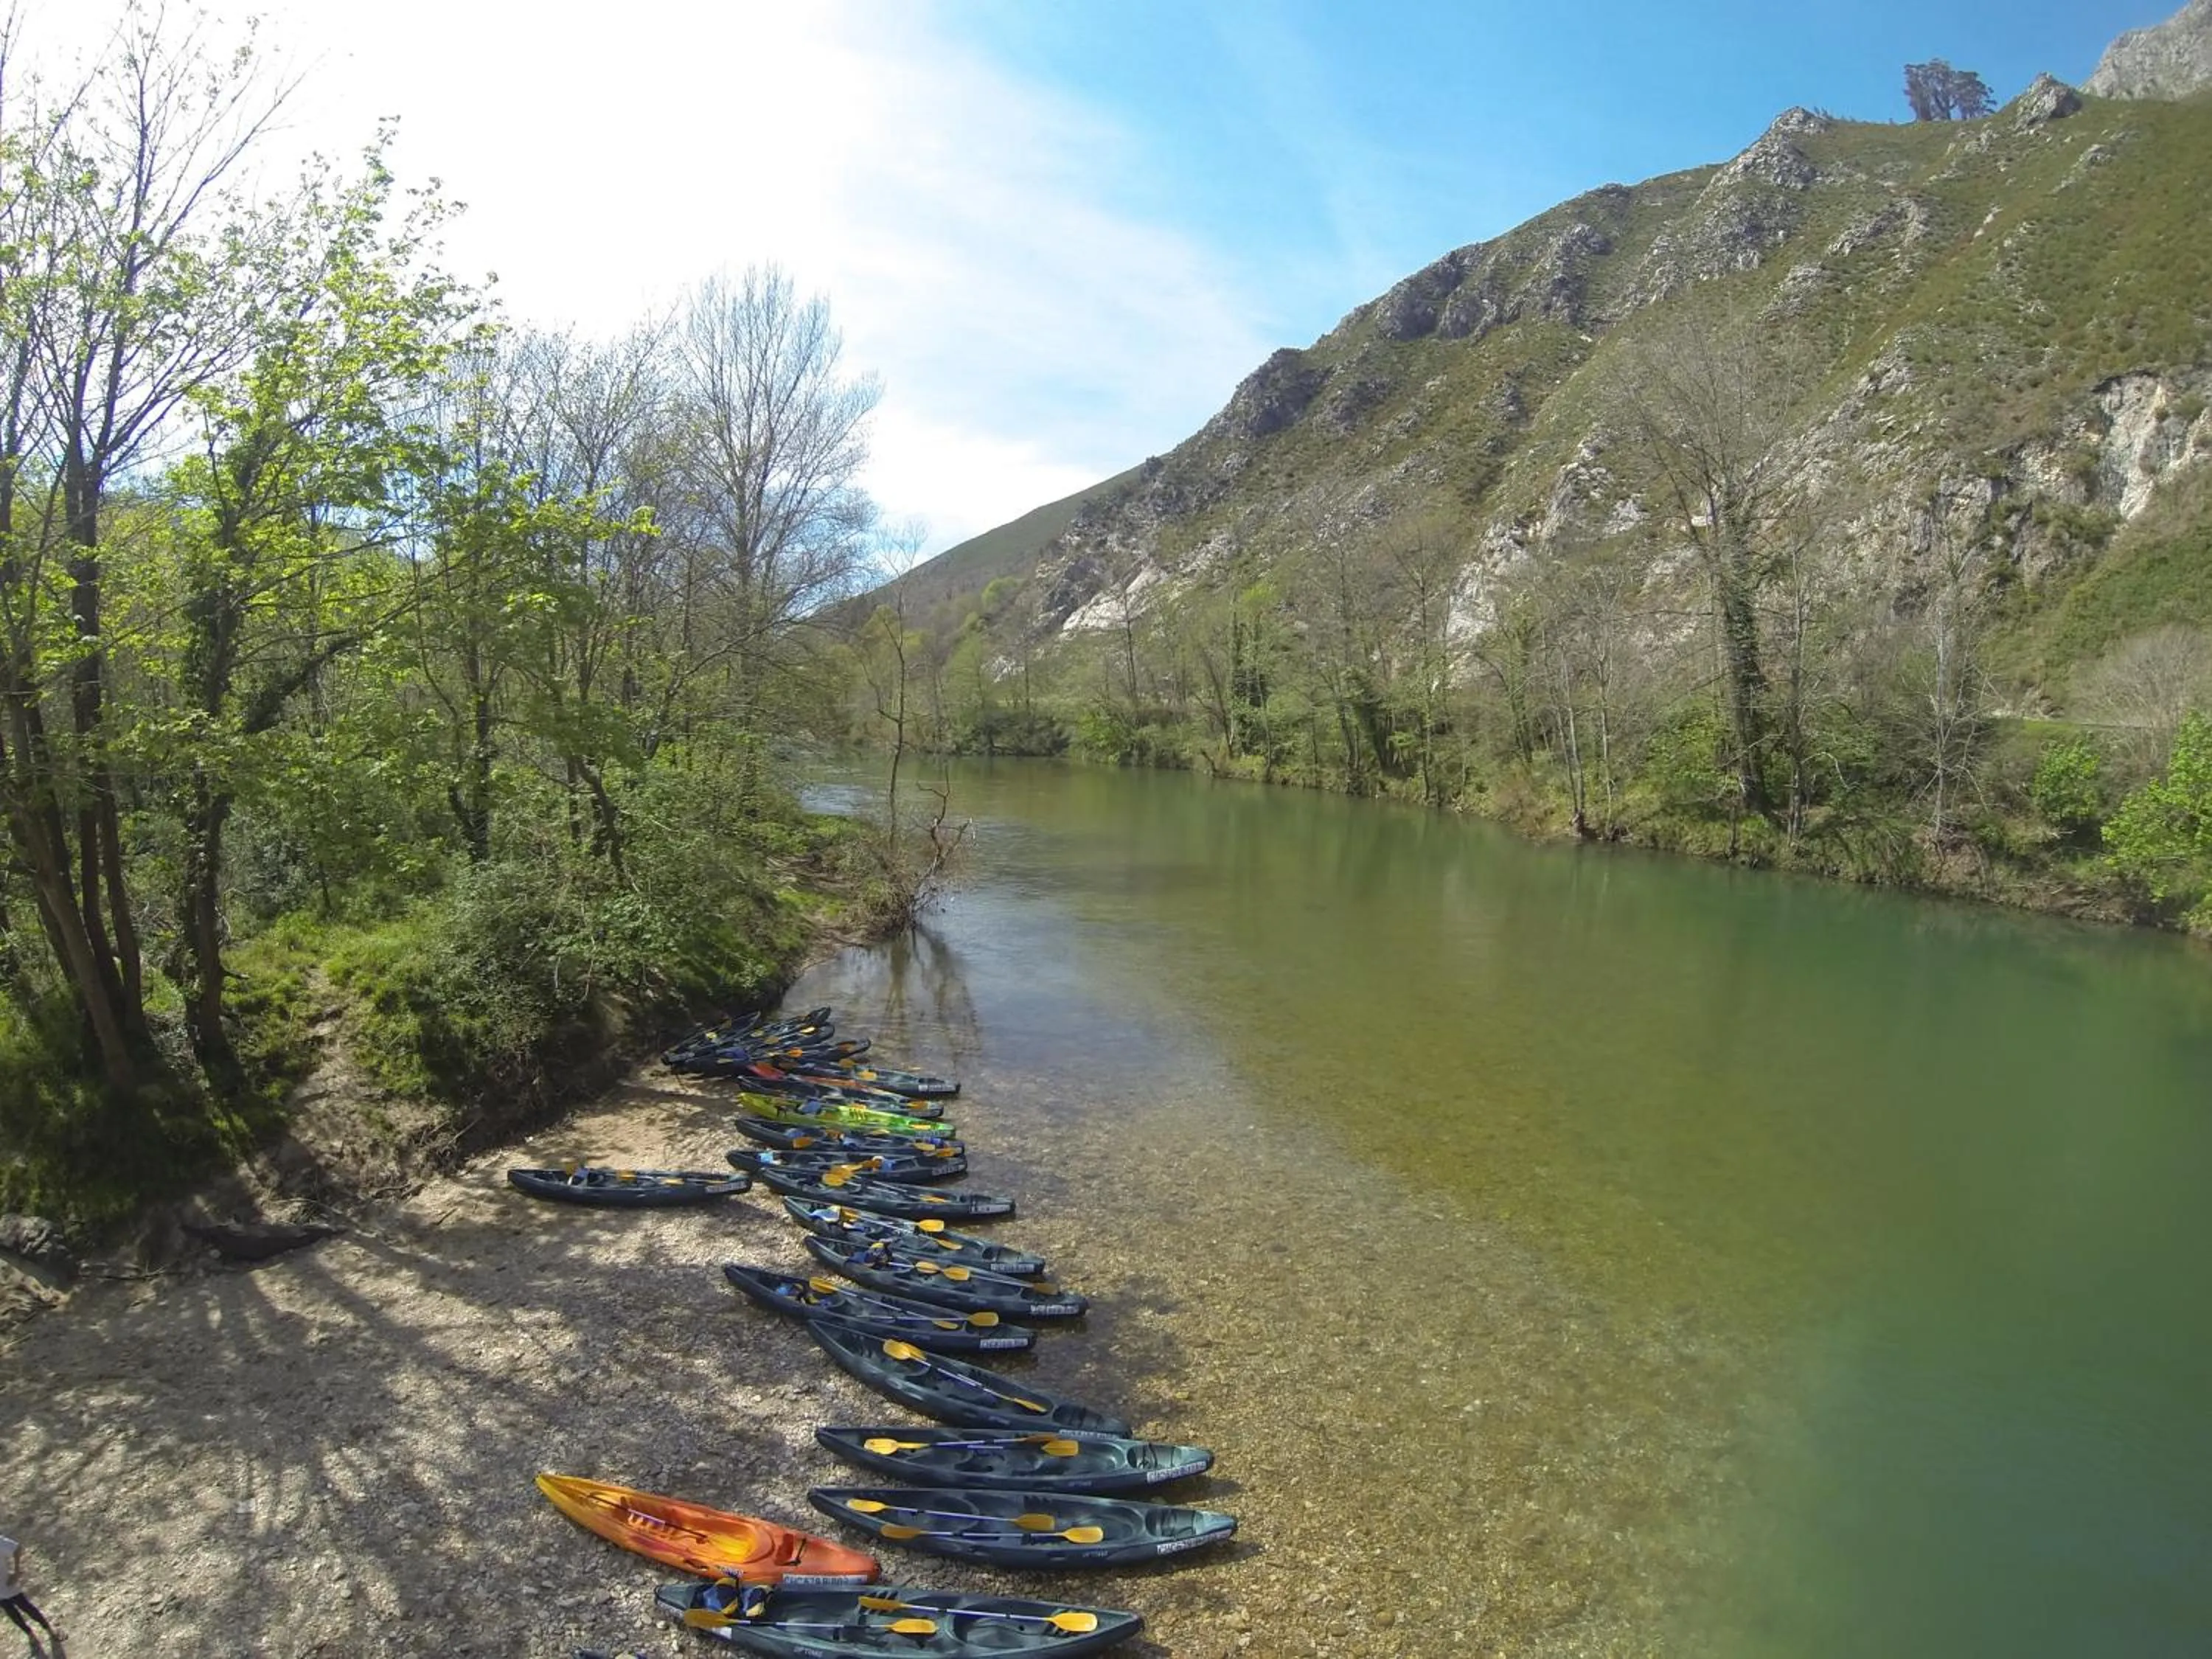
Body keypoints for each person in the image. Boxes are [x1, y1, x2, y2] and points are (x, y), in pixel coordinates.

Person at [0, 1534, 55, 1650]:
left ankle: (49, 1629)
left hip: (8, 1585)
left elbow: (17, 1548)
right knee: (12, 1614)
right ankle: (30, 1634)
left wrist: (16, 1571)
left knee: (26, 1607)